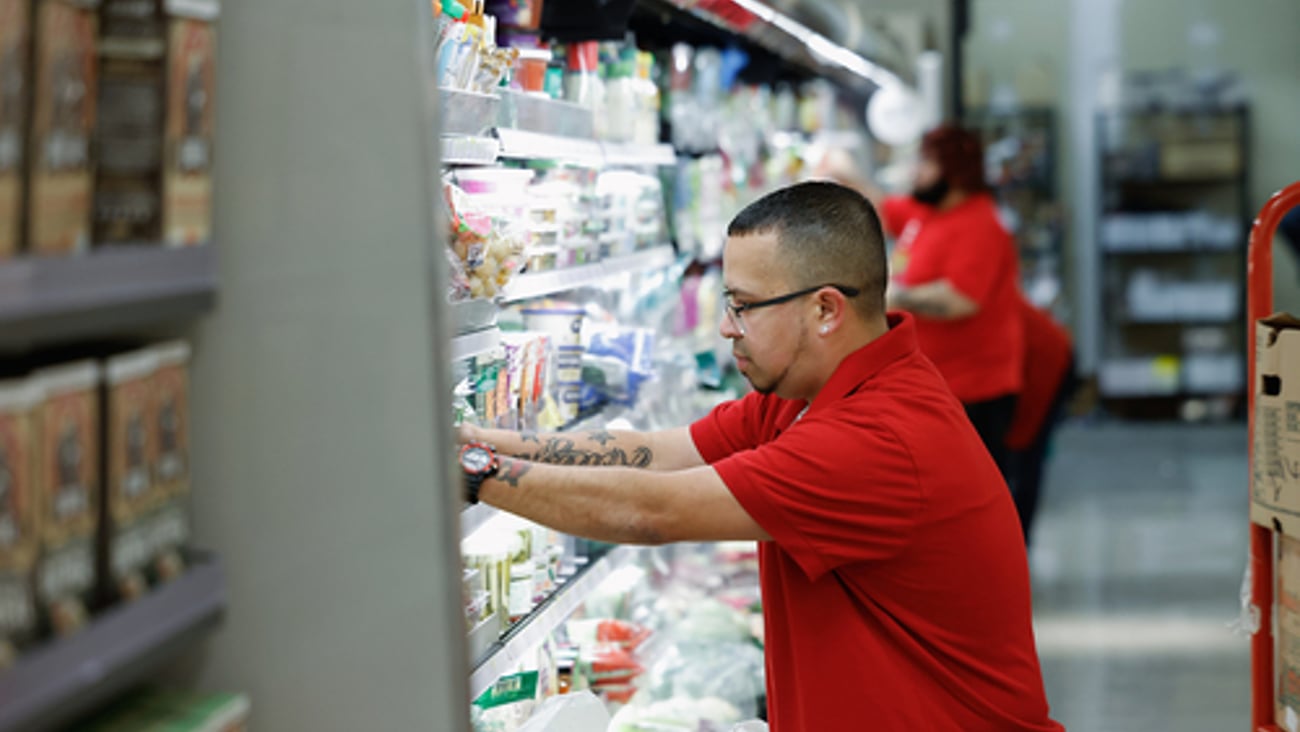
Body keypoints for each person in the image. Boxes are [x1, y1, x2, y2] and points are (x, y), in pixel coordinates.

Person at [457, 181, 1063, 731]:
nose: (726, 327)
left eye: (743, 306)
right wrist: (476, 442)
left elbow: (652, 512)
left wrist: (471, 476)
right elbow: (656, 454)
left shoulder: (878, 438)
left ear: (825, 309)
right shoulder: (805, 393)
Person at [877, 126, 1025, 475]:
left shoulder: (980, 224)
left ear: (955, 171)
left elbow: (961, 299)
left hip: (973, 392)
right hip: (940, 386)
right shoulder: (929, 212)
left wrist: (892, 297)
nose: (917, 171)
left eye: (926, 163)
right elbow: (878, 209)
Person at [1005, 295, 1076, 545]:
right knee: (1018, 452)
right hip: (1039, 355)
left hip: (1046, 362)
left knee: (1026, 451)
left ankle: (1019, 538)